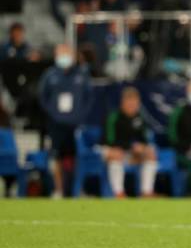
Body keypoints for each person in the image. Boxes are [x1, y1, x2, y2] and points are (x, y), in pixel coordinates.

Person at [39, 44, 93, 198]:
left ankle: (76, 189)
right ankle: (58, 189)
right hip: (56, 123)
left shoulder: (81, 74)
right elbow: (43, 96)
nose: (64, 57)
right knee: (56, 156)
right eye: (61, 54)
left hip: (75, 123)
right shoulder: (50, 75)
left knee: (77, 156)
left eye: (67, 54)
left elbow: (89, 97)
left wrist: (81, 114)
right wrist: (53, 112)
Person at [102, 87, 157, 198]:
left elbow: (144, 140)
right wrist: (131, 147)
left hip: (131, 153)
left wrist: (142, 148)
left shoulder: (140, 118)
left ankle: (146, 192)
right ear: (123, 102)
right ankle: (119, 193)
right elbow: (110, 141)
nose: (132, 106)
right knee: (115, 154)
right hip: (109, 151)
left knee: (151, 154)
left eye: (135, 103)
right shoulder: (113, 117)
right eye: (130, 102)